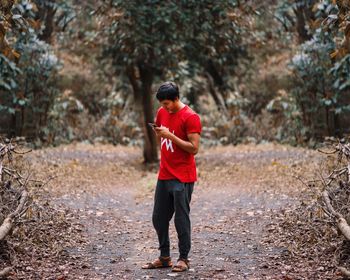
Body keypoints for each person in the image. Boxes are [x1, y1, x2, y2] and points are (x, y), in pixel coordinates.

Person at [142, 81, 201, 272]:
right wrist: (159, 132)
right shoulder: (161, 112)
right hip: (165, 173)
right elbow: (162, 132)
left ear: (176, 98)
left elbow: (194, 149)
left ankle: (184, 258)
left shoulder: (191, 117)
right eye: (161, 103)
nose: (164, 107)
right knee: (158, 218)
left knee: (181, 219)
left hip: (183, 176)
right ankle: (164, 257)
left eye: (167, 103)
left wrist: (170, 136)